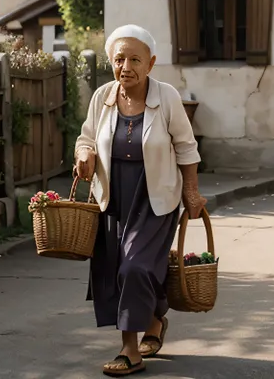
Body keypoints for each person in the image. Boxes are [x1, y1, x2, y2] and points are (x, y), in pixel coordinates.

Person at [74, 24, 207, 377]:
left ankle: (130, 351)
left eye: (135, 59)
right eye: (119, 59)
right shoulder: (102, 96)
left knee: (133, 268)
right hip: (113, 197)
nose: (126, 67)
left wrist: (191, 191)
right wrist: (85, 154)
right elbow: (86, 137)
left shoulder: (167, 98)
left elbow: (186, 147)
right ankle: (155, 318)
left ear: (151, 63)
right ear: (111, 63)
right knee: (120, 269)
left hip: (155, 197)